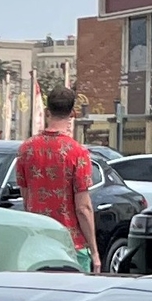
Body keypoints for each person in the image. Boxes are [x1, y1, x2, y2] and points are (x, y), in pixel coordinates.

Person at [11, 84, 99, 271]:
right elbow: (83, 208)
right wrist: (95, 251)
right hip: (71, 244)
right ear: (73, 113)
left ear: (47, 111)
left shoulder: (26, 149)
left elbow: (27, 199)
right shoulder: (78, 153)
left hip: (37, 242)